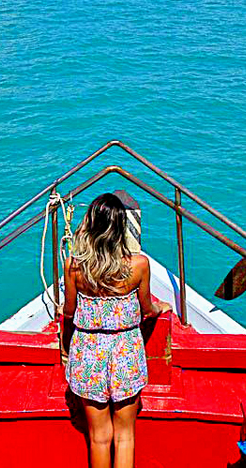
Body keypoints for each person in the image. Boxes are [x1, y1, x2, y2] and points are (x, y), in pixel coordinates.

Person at [63, 192, 170, 468]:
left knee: (99, 438)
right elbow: (147, 309)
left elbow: (69, 311)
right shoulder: (138, 265)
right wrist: (161, 308)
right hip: (125, 352)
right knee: (125, 436)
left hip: (88, 353)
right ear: (121, 228)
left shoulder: (74, 266)